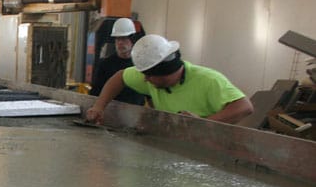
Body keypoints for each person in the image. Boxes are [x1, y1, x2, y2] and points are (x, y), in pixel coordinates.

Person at [86, 34, 254, 125]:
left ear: (165, 73)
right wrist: (99, 107)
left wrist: (203, 124)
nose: (145, 80)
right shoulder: (153, 79)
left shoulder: (208, 80)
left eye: (149, 76)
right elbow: (120, 77)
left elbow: (244, 107)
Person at [90, 17, 146, 106]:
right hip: (111, 111)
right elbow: (95, 92)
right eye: (117, 39)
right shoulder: (106, 64)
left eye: (124, 39)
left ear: (132, 40)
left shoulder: (141, 64)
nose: (120, 43)